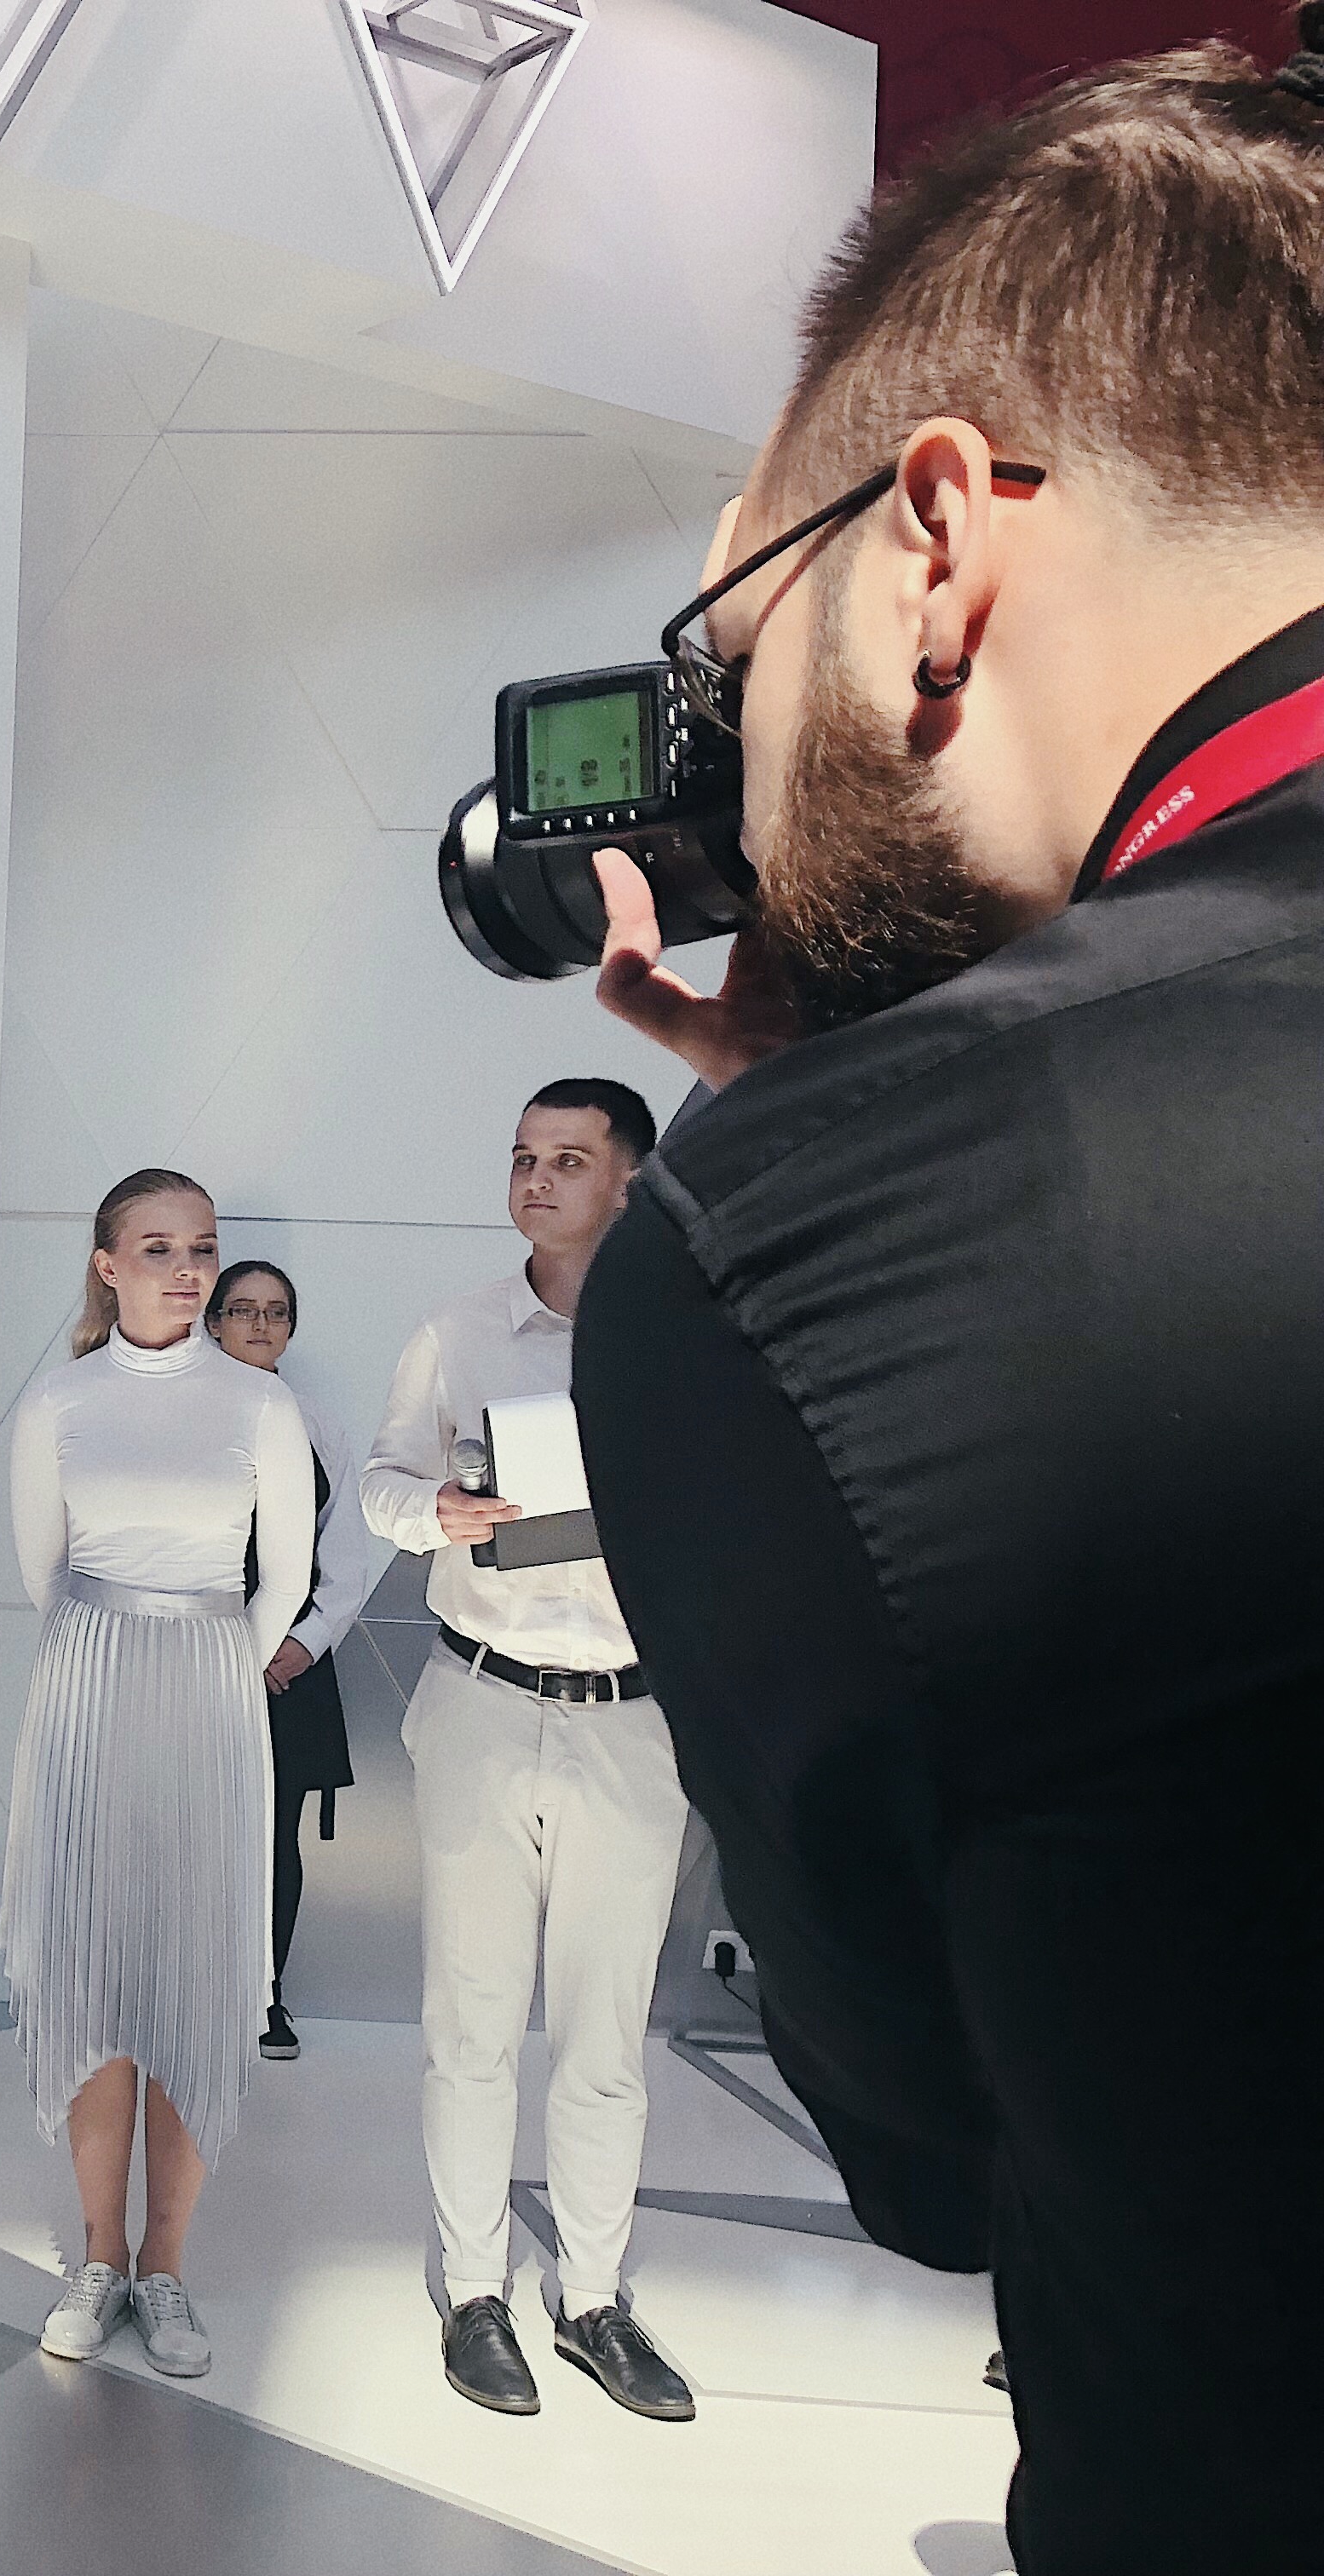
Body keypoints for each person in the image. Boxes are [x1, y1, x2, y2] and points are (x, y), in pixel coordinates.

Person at [567, 31, 1324, 2567]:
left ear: (929, 546)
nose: (723, 764)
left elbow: (926, 2145)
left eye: (723, 650)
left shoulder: (807, 1256)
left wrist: (819, 1151)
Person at [359, 1083, 695, 2425]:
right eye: (521, 1158)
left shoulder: (694, 1336)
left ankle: (596, 2300)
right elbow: (380, 1485)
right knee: (473, 2021)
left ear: (631, 1183)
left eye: (567, 1159)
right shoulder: (457, 1335)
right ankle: (473, 2291)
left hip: (636, 1715)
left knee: (607, 2031)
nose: (536, 1180)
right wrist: (433, 1512)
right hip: (483, 1701)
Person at [3, 1171, 312, 2378]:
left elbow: (284, 1579)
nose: (188, 1271)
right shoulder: (59, 1401)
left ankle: (166, 2266)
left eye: (203, 1250)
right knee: (93, 1975)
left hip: (209, 1693)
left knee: (191, 1974)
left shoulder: (258, 1403)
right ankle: (99, 2255)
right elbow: (44, 1572)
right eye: (159, 1249)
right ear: (106, 1264)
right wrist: (116, 1650)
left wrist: (209, 1663)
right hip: (89, 1688)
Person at [206, 1260, 379, 2060]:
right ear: (213, 1323)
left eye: (276, 1312)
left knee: (276, 1840)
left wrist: (297, 1647)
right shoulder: (181, 1416)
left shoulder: (318, 1426)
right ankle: (186, 1998)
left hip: (289, 1670)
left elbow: (345, 1556)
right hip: (194, 1661)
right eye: (243, 1309)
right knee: (188, 1837)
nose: (260, 1324)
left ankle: (263, 1999)